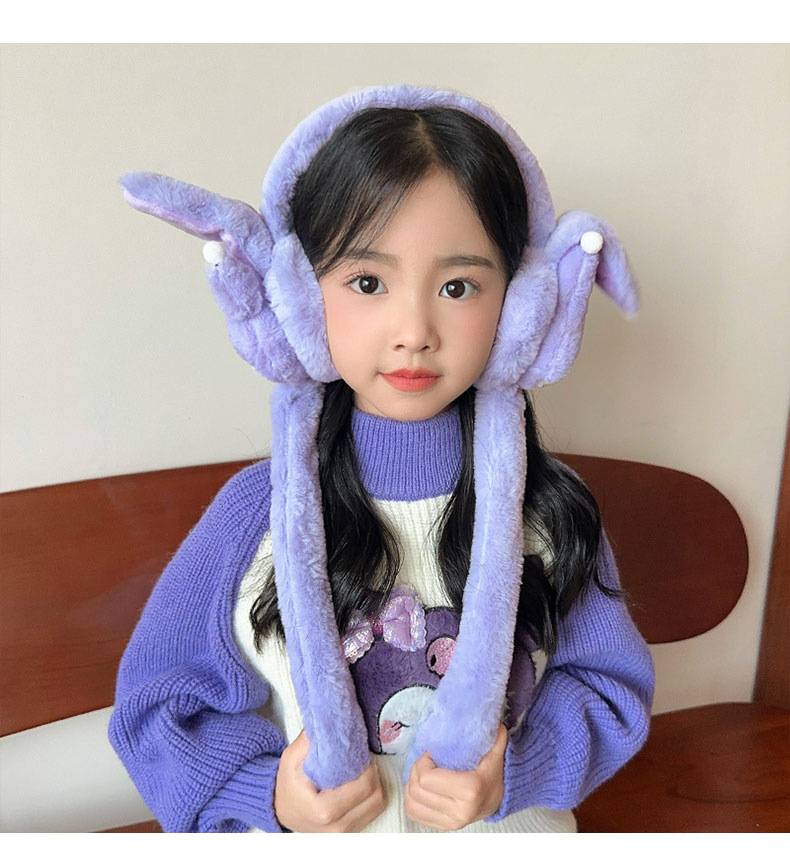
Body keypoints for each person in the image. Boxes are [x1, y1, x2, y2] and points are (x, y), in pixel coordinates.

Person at [109, 84, 655, 833]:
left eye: (458, 286)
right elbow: (157, 703)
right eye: (367, 282)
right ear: (302, 300)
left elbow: (608, 686)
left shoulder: (547, 508)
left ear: (521, 307)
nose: (414, 330)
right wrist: (265, 794)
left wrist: (519, 769)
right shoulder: (254, 514)